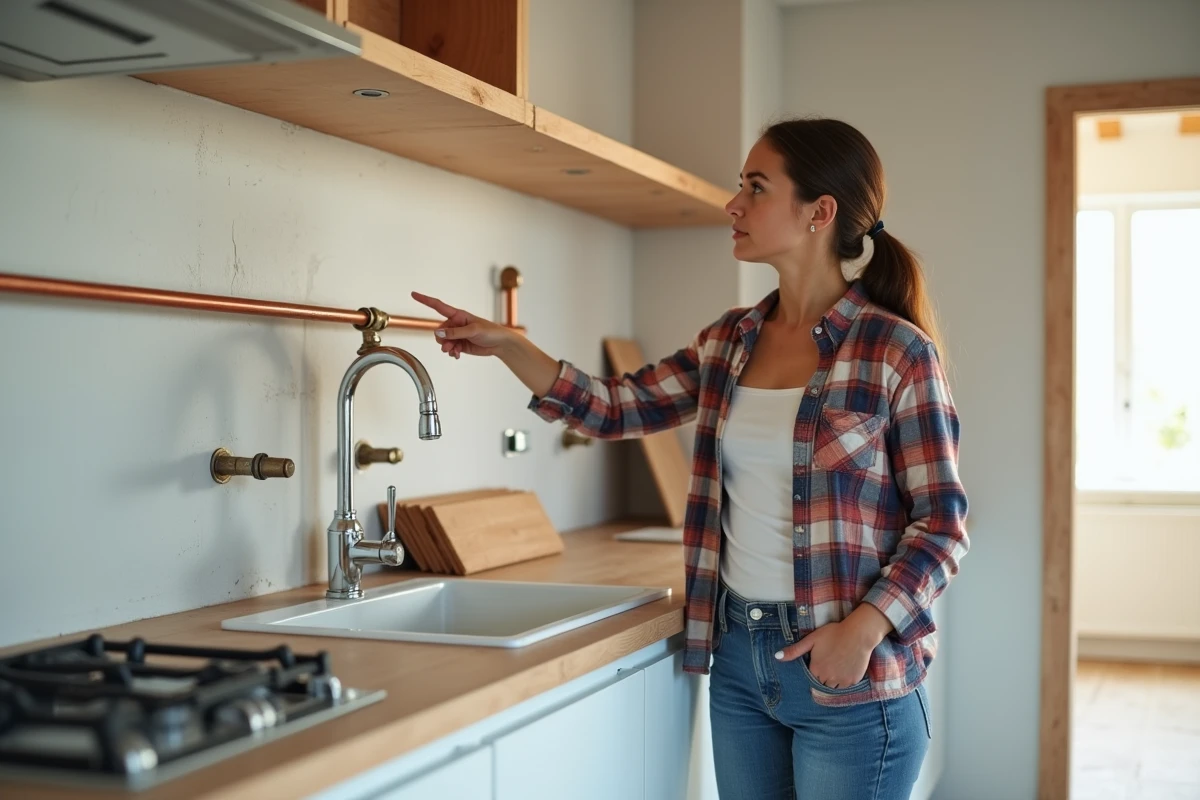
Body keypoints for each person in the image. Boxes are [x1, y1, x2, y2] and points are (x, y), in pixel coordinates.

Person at [413, 117, 969, 800]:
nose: (733, 205)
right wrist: (509, 346)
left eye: (755, 189)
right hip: (737, 660)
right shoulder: (728, 343)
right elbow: (615, 407)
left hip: (851, 678)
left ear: (819, 213)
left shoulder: (897, 352)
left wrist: (862, 630)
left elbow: (942, 522)